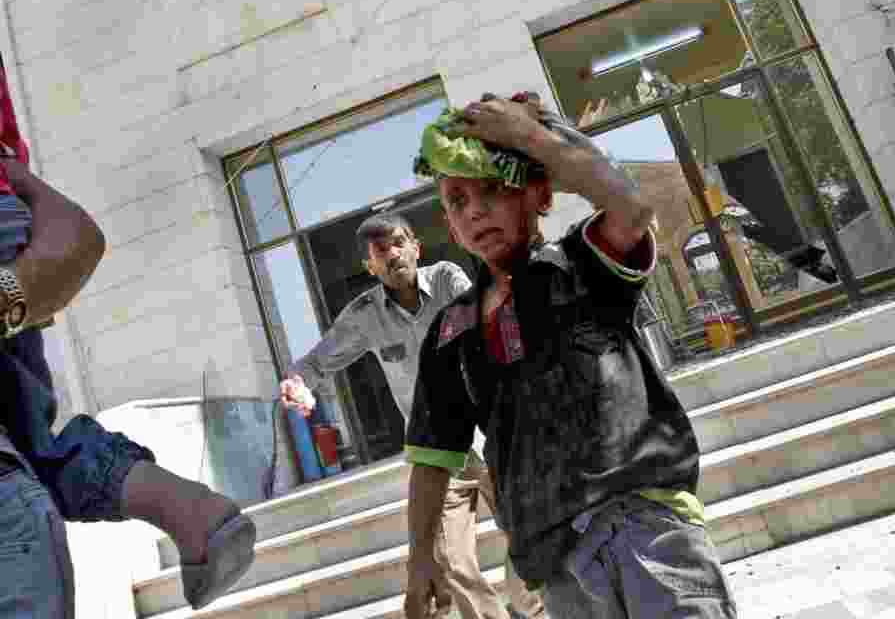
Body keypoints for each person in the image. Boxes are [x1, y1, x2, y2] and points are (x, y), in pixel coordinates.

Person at [403, 92, 738, 618]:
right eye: (458, 201)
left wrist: (532, 137)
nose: (476, 211)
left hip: (648, 530)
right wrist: (421, 559)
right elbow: (432, 459)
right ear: (448, 224)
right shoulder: (452, 332)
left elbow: (631, 207)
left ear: (540, 196)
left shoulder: (583, 266)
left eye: (492, 189)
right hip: (555, 563)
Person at [0, 62, 255, 617]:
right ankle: (181, 503)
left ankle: (179, 503)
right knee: (29, 440)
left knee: (25, 446)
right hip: (9, 215)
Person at [279, 213, 545, 619]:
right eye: (380, 251)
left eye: (399, 243)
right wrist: (297, 384)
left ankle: (533, 606)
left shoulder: (446, 279)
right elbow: (317, 361)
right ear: (370, 266)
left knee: (527, 534)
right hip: (438, 457)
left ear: (416, 247)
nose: (392, 254)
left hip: (493, 437)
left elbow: (482, 315)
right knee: (452, 561)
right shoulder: (366, 314)